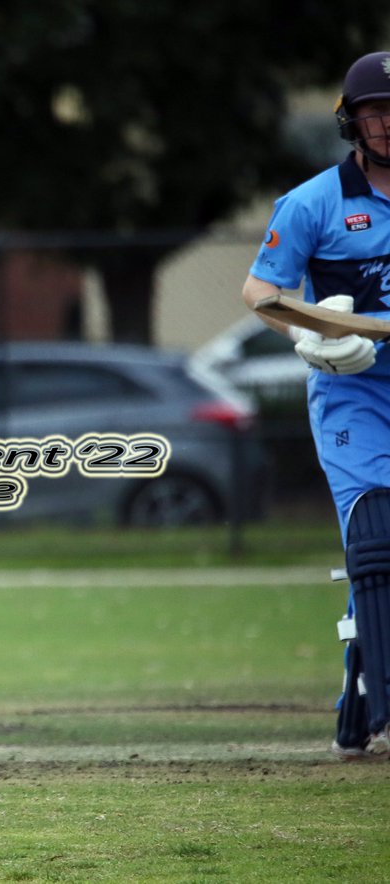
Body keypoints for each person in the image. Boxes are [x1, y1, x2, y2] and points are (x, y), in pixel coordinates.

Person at [241, 50, 390, 759]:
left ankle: (362, 684)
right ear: (352, 122)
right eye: (375, 113)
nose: (388, 124)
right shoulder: (313, 203)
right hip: (354, 392)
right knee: (378, 539)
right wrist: (316, 332)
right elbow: (262, 296)